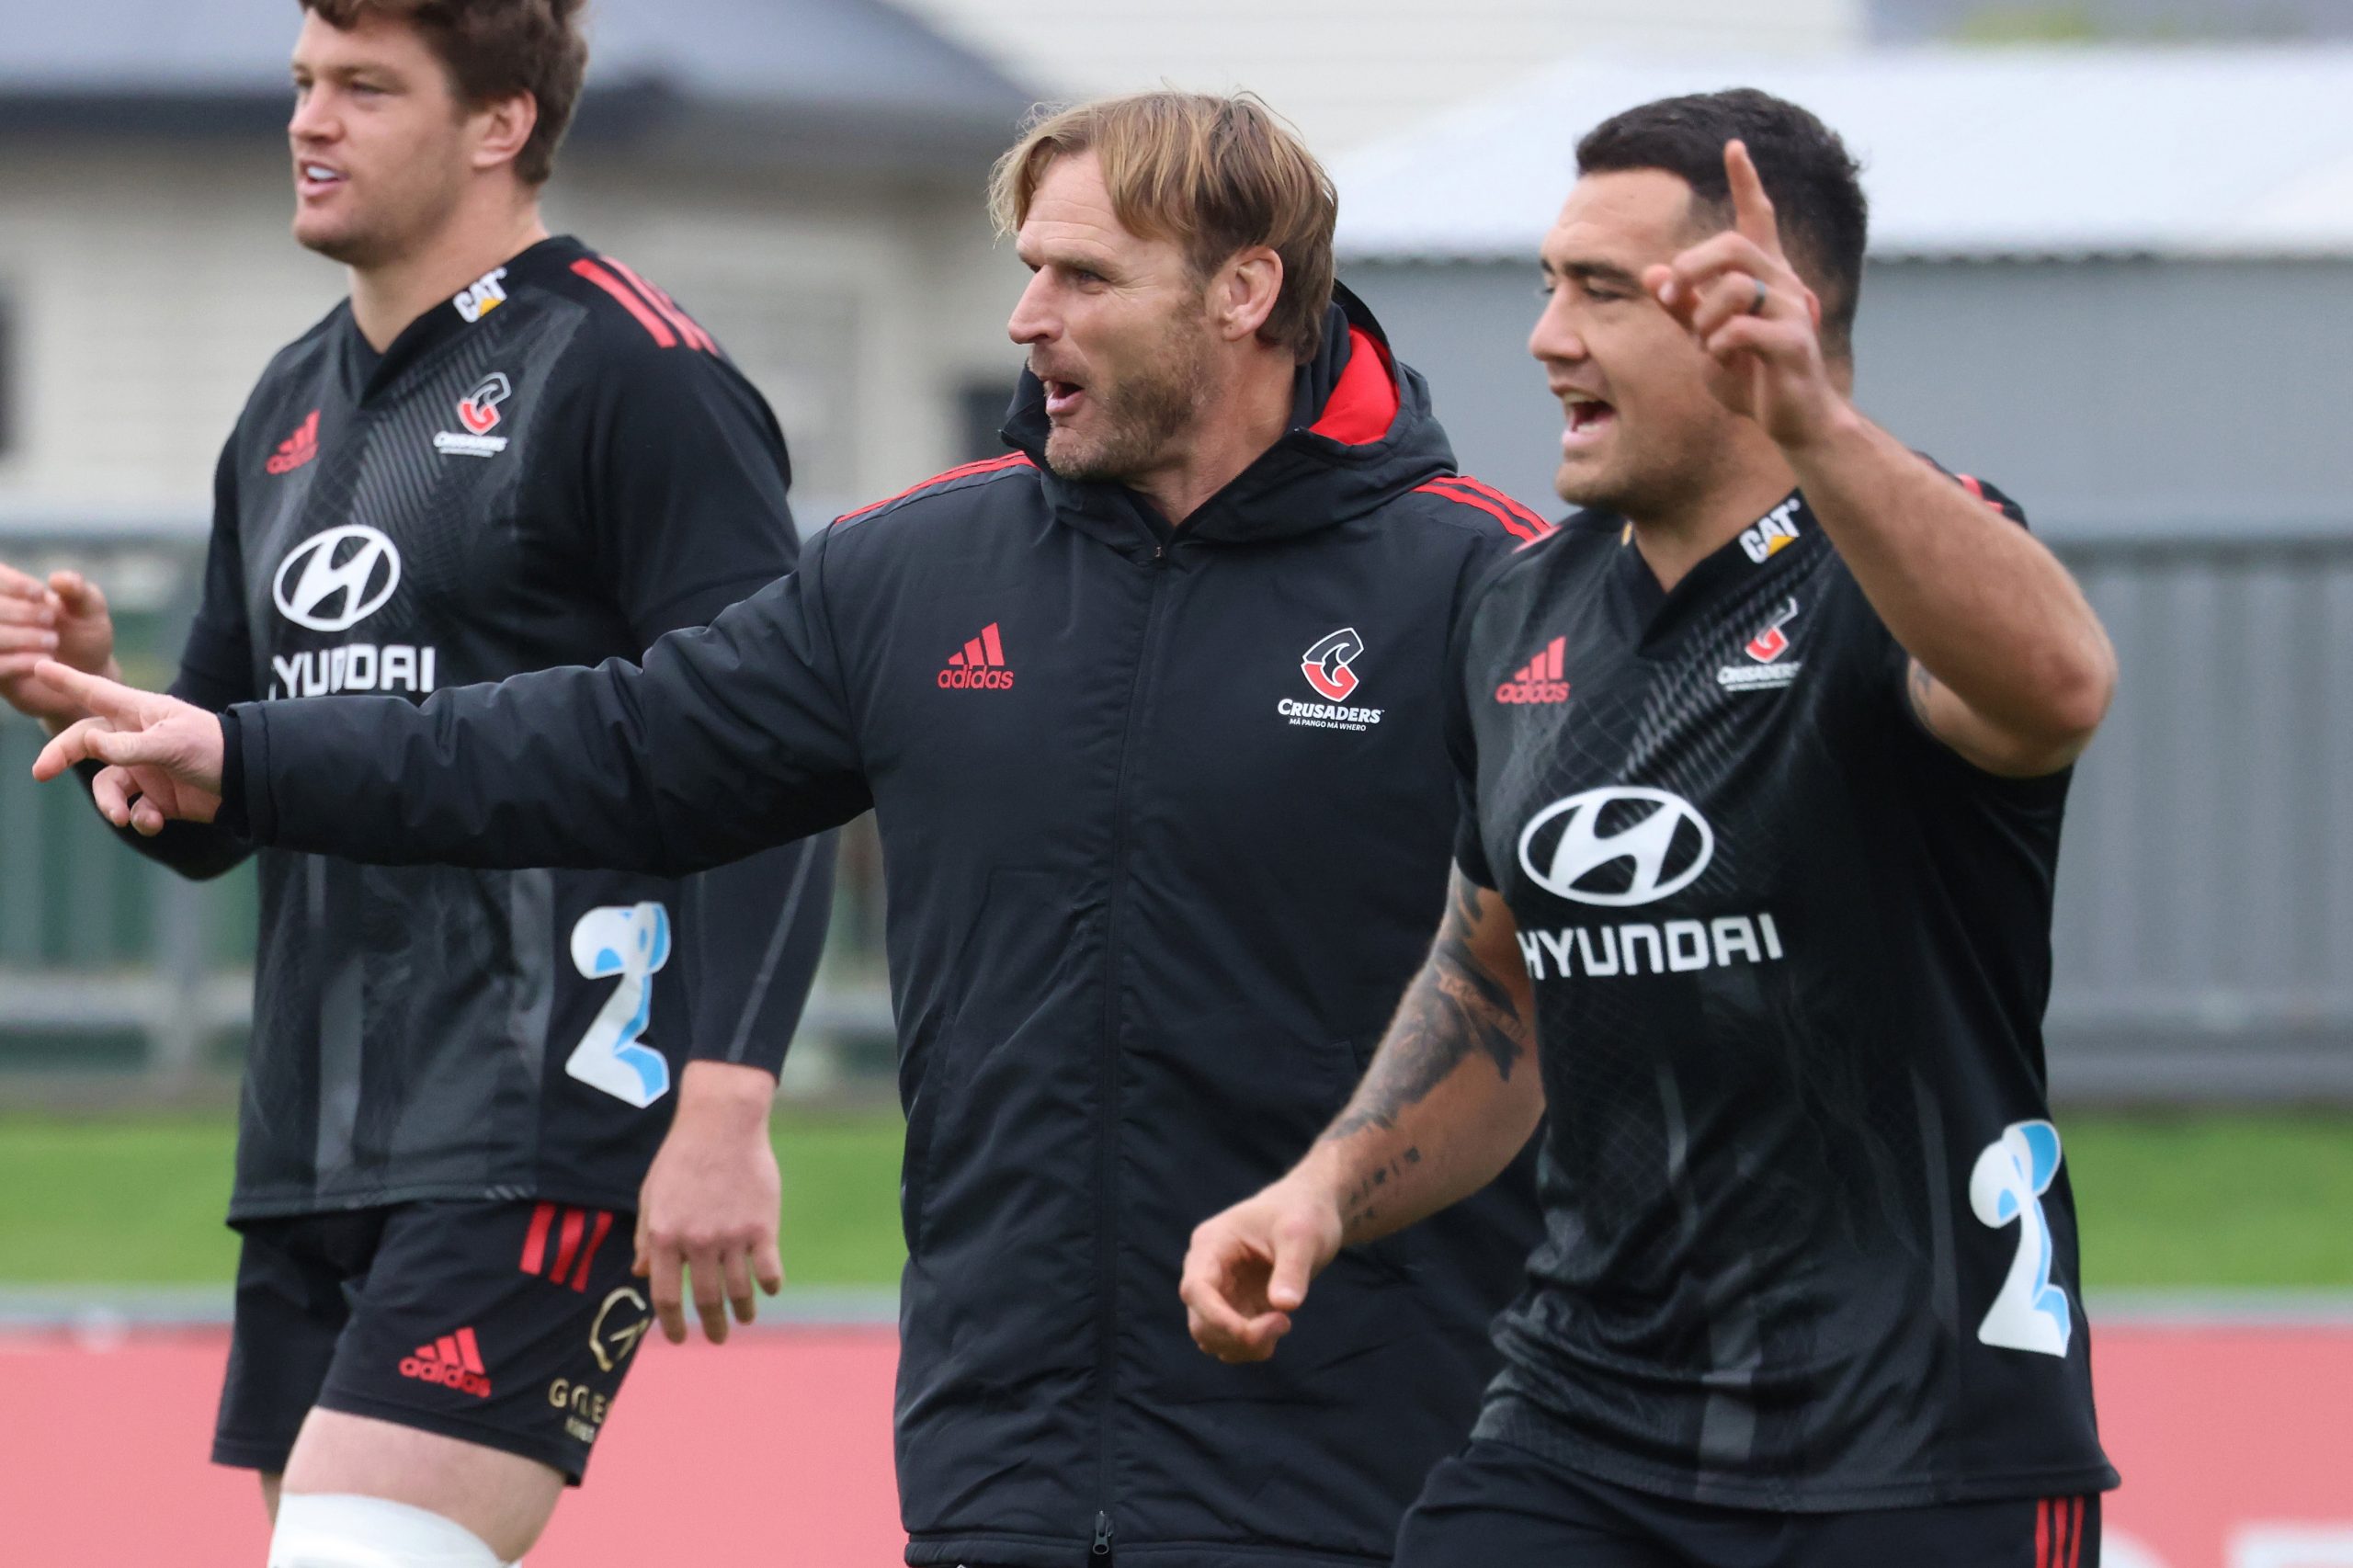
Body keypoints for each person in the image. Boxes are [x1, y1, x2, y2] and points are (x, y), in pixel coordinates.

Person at [30, 90, 1548, 1568]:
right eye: (1027, 269)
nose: (1029, 317)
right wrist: (246, 750)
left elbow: (1606, 984)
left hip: (1368, 1455)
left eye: (1084, 275)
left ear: (1246, 291)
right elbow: (606, 746)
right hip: (1000, 1463)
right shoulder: (915, 568)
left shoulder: (1489, 589)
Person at [1179, 88, 2122, 1567]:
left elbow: (2061, 683)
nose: (1550, 336)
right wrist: (1318, 1195)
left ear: (1768, 310)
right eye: (1551, 285)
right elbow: (1496, 988)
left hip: (1921, 1446)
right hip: (1584, 1434)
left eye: (1605, 293)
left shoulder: (1910, 560)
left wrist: (1817, 427)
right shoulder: (1517, 612)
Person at [0, 3, 835, 1563]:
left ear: (500, 123)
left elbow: (775, 744)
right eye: (306, 83)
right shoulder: (282, 407)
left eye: (367, 88)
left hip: (553, 1110)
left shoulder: (629, 371)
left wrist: (727, 1095)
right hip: (313, 1140)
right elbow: (226, 797)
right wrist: (106, 715)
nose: (310, 122)